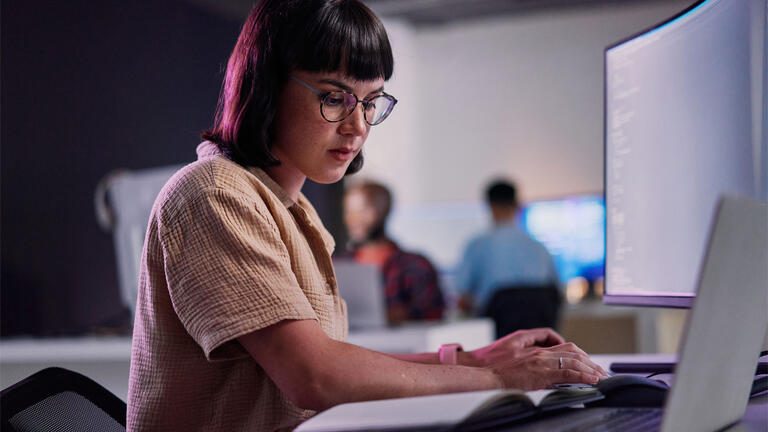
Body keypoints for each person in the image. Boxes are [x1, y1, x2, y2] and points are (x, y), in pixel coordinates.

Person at [126, 2, 608, 431]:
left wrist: (465, 360)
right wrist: (496, 378)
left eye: (371, 102)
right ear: (267, 85)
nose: (358, 127)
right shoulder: (214, 192)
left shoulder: (291, 209)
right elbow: (315, 377)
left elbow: (330, 361)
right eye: (335, 97)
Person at [456, 180, 561, 331]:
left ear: (490, 205)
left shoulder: (477, 246)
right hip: (538, 338)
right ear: (517, 204)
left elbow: (463, 298)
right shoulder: (539, 247)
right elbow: (556, 293)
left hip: (497, 341)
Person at [343, 181, 445, 324]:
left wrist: (394, 316)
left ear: (385, 211)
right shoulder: (336, 266)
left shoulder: (416, 266)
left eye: (363, 211)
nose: (353, 219)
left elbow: (433, 314)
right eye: (349, 212)